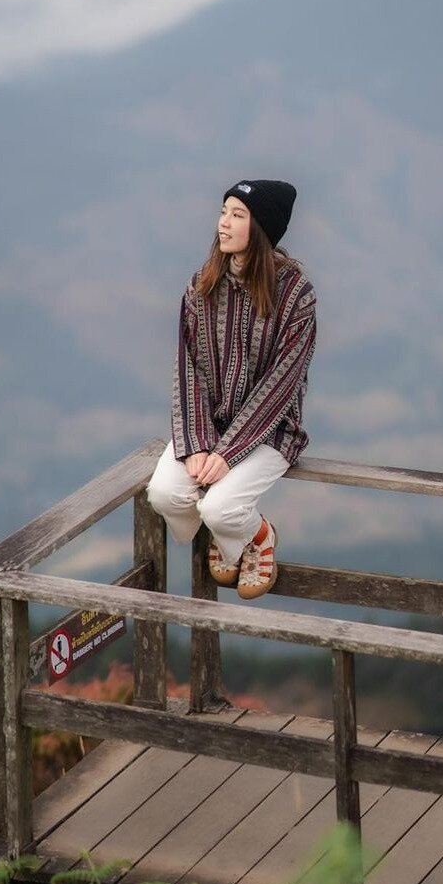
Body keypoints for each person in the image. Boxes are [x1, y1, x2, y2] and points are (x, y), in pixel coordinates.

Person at [146, 179, 317, 599]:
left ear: (260, 229)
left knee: (220, 508)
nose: (223, 223)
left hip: (271, 431)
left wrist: (227, 453)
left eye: (237, 215)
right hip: (209, 426)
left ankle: (256, 536)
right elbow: (189, 371)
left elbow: (281, 385)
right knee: (165, 495)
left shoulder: (296, 297)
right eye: (223, 211)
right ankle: (228, 535)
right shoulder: (200, 287)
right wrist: (200, 444)